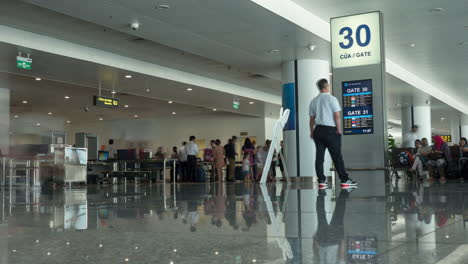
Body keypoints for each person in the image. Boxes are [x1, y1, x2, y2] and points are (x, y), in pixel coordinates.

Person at [309, 78, 357, 188]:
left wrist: (312, 131)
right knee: (336, 157)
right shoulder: (332, 99)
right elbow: (336, 116)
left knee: (319, 157)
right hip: (331, 130)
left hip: (318, 131)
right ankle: (344, 180)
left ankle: (321, 181)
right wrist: (339, 129)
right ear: (326, 86)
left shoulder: (314, 101)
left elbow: (312, 119)